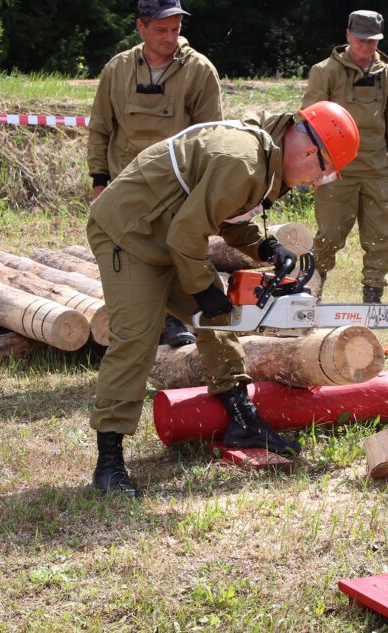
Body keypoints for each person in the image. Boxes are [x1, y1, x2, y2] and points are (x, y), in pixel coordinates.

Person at [86, 101, 360, 494]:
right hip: (129, 233)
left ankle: (241, 417)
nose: (316, 183)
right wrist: (202, 290)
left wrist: (265, 247)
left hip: (167, 231)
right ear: (309, 152)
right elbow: (186, 234)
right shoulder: (244, 161)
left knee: (220, 320)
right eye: (324, 172)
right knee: (136, 337)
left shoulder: (265, 158)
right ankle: (109, 460)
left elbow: (228, 215)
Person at [87, 0, 223, 347]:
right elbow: (100, 128)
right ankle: (144, 323)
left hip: (177, 187)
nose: (170, 37)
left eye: (176, 29)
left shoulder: (199, 71)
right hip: (125, 186)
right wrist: (99, 181)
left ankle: (180, 321)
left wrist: (205, 191)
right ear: (140, 27)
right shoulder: (117, 69)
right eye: (161, 30)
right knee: (131, 257)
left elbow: (211, 136)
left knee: (175, 253)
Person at [302, 10, 388, 304]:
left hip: (376, 170)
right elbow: (309, 121)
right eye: (361, 39)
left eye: (373, 41)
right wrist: (306, 164)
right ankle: (311, 293)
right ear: (348, 35)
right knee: (329, 236)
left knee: (382, 238)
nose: (366, 46)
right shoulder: (325, 72)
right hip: (336, 169)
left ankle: (372, 297)